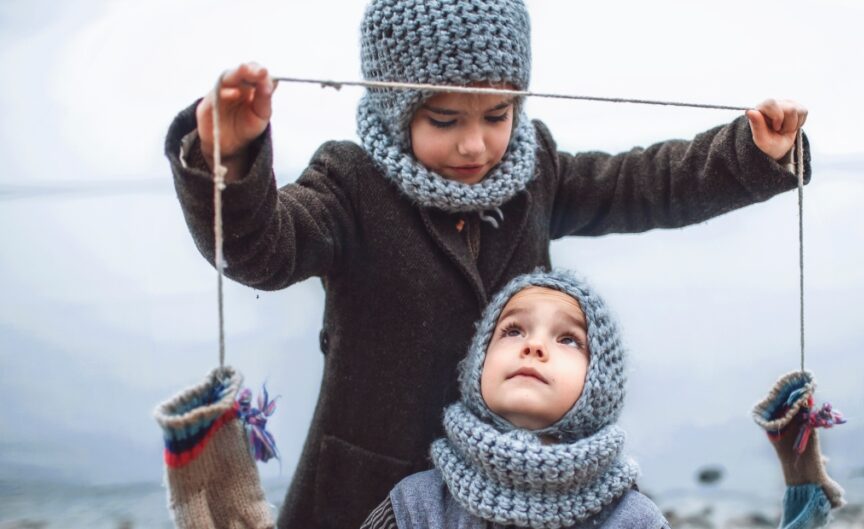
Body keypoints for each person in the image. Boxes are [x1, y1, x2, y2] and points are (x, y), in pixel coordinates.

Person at [164, 0, 810, 526]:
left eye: (497, 114)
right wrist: (232, 159)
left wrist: (751, 153)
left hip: (503, 489)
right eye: (445, 119)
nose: (475, 143)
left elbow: (644, 184)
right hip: (365, 492)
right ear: (399, 107)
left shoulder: (535, 173)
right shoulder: (351, 185)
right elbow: (264, 248)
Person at [155, 270, 842, 529]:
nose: (535, 345)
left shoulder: (627, 516)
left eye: (568, 339)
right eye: (512, 330)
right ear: (476, 365)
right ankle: (213, 479)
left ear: (598, 387)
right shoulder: (421, 502)